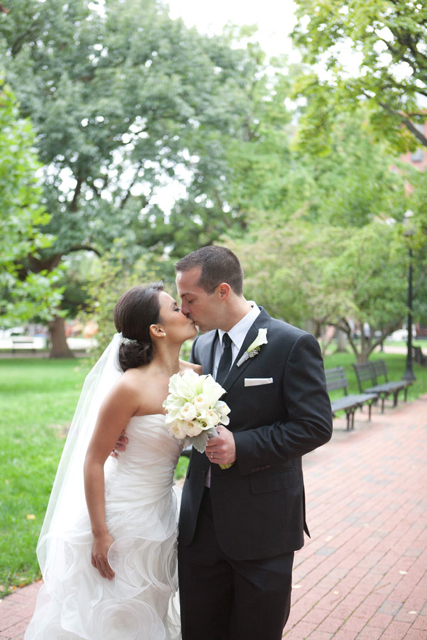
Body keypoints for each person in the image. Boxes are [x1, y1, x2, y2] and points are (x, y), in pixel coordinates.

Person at [174, 246, 333, 640]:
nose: (184, 310)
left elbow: (315, 426)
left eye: (189, 299)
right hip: (200, 524)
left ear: (222, 291)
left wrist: (241, 446)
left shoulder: (291, 344)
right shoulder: (202, 346)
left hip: (263, 525)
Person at [25, 284, 198, 640]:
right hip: (121, 519)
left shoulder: (196, 377)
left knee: (152, 609)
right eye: (175, 307)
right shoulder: (130, 387)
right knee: (113, 617)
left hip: (164, 514)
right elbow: (92, 461)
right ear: (158, 329)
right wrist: (100, 533)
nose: (186, 310)